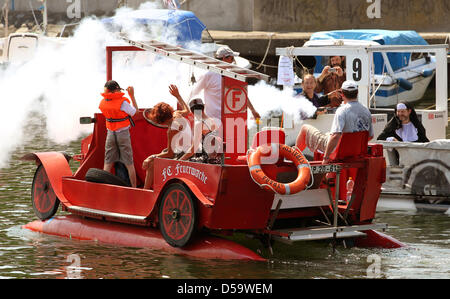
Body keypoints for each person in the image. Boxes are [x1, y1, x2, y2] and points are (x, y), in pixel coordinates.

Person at [296, 80, 374, 164]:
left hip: (339, 149)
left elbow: (335, 136)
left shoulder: (342, 111)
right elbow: (370, 136)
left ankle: (293, 157)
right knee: (328, 133)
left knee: (305, 128)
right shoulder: (366, 111)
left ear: (342, 94)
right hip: (356, 150)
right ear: (357, 92)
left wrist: (326, 158)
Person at [189, 46, 260, 122]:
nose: (232, 62)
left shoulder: (231, 75)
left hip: (228, 119)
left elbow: (241, 94)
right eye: (232, 59)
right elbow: (193, 92)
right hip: (213, 120)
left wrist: (253, 110)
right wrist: (188, 112)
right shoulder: (208, 75)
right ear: (224, 58)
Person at [142, 84, 191, 189]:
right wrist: (178, 96)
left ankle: (145, 190)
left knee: (151, 164)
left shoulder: (172, 130)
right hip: (187, 150)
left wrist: (150, 158)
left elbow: (170, 154)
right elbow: (187, 110)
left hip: (182, 154)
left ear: (160, 121)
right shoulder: (177, 114)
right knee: (158, 155)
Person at [99, 80, 139, 188]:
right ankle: (134, 189)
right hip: (123, 134)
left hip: (110, 134)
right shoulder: (122, 102)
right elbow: (136, 112)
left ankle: (103, 188)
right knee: (129, 163)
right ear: (116, 89)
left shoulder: (103, 102)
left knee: (108, 163)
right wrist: (132, 95)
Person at [179, 98, 222, 163]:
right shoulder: (212, 121)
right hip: (217, 160)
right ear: (203, 107)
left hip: (207, 161)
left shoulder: (199, 123)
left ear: (192, 112)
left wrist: (179, 160)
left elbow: (194, 149)